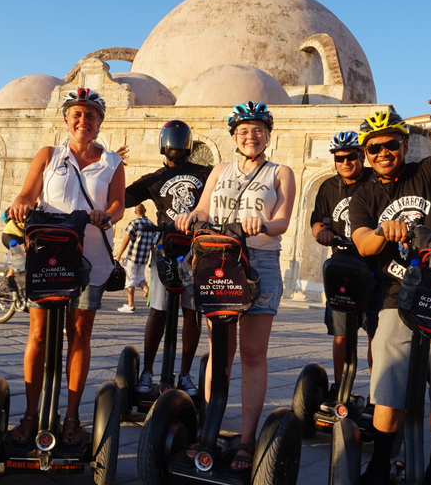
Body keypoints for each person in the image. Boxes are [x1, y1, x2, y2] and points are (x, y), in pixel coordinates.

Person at [349, 102, 431, 485]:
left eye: (390, 145)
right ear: (366, 153)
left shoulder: (430, 173)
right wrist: (383, 231)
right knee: (389, 390)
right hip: (396, 298)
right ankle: (380, 463)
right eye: (373, 148)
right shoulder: (364, 197)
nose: (382, 153)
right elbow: (362, 244)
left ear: (404, 145)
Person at [175, 101, 296, 471]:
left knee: (254, 353)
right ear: (234, 137)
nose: (251, 136)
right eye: (244, 131)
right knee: (220, 351)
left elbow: (283, 221)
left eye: (258, 130)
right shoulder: (220, 169)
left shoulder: (281, 172)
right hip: (220, 260)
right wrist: (190, 217)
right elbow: (204, 209)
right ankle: (209, 431)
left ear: (268, 135)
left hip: (259, 262)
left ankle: (245, 439)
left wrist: (261, 223)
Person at [7, 88, 124, 446]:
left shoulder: (112, 162)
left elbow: (118, 203)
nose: (83, 121)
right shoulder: (49, 155)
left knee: (79, 334)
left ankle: (71, 417)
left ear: (100, 122)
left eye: (91, 115)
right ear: (66, 119)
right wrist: (20, 204)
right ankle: (31, 415)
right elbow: (29, 193)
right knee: (39, 333)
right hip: (49, 254)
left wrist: (106, 215)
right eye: (77, 114)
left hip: (91, 259)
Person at [124, 120, 211, 396]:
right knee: (158, 310)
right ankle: (148, 370)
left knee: (192, 312)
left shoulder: (206, 173)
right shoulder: (153, 179)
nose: (176, 145)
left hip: (196, 252)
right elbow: (122, 198)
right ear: (163, 144)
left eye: (181, 139)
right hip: (165, 250)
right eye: (172, 139)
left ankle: (185, 373)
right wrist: (111, 166)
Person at [309, 131, 381, 411]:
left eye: (352, 156)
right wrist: (321, 233)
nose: (346, 162)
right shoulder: (328, 187)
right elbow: (317, 221)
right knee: (341, 333)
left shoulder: (375, 183)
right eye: (340, 158)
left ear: (361, 156)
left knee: (377, 334)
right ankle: (340, 386)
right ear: (335, 161)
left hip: (374, 269)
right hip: (343, 269)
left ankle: (378, 394)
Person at [115, 203, 154, 312]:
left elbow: (125, 241)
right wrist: (152, 259)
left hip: (133, 256)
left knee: (130, 280)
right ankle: (149, 295)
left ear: (135, 212)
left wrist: (118, 256)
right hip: (144, 257)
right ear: (145, 210)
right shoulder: (152, 224)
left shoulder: (134, 223)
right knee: (141, 278)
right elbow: (153, 244)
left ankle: (130, 304)